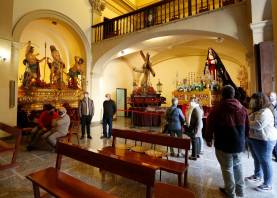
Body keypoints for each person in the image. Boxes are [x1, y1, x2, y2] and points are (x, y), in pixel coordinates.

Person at [206, 85, 249, 198]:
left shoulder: (217, 108)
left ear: (222, 95)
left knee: (227, 168)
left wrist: (208, 138)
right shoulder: (242, 108)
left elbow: (209, 124)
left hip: (223, 143)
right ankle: (241, 191)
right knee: (238, 166)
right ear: (233, 94)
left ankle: (231, 193)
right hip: (239, 144)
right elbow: (247, 126)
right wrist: (245, 139)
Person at [245, 92, 277, 192]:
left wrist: (246, 122)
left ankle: (268, 184)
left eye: (254, 100)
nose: (252, 102)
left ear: (260, 101)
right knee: (257, 159)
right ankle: (258, 175)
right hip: (256, 138)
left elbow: (258, 125)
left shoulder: (265, 112)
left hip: (265, 140)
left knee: (265, 161)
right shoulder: (257, 111)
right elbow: (250, 120)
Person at [268, 91, 277, 162]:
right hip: (271, 126)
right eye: (270, 96)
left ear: (275, 97)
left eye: (272, 96)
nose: (270, 97)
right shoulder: (269, 105)